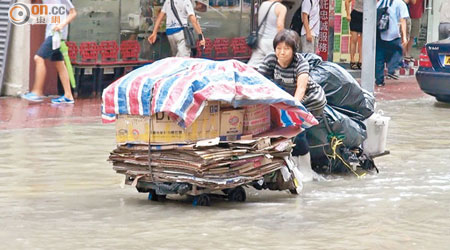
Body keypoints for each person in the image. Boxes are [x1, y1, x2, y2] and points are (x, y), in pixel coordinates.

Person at [258, 29, 326, 182]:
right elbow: (259, 83)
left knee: (297, 130)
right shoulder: (270, 59)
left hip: (310, 98)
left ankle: (306, 170)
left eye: (286, 49)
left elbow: (301, 89)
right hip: (287, 98)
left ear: (294, 50)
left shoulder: (300, 62)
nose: (282, 53)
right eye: (279, 48)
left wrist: (293, 109)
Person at [21, 0, 77, 104]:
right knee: (59, 64)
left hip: (56, 35)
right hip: (52, 35)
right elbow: (48, 16)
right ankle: (68, 95)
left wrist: (61, 25)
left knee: (38, 58)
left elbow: (73, 13)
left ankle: (37, 92)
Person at [375, 0, 409, 87]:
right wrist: (404, 36)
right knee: (398, 51)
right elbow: (403, 20)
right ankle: (391, 69)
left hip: (380, 33)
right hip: (393, 34)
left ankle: (379, 81)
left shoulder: (380, 3)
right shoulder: (400, 3)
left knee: (379, 58)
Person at [247, 0, 286, 68]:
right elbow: (280, 26)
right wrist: (282, 42)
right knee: (274, 67)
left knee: (253, 65)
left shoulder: (263, 5)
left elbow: (257, 20)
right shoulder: (281, 7)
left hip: (260, 40)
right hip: (272, 41)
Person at [345, 0, 363, 70]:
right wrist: (348, 14)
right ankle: (352, 60)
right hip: (356, 14)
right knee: (354, 39)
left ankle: (360, 60)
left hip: (366, 16)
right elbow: (347, 1)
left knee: (362, 40)